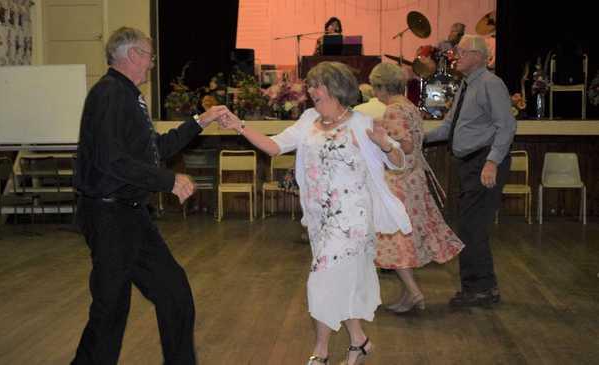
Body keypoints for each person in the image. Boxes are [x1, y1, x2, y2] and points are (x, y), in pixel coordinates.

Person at [219, 61, 412, 365]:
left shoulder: (361, 123)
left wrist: (384, 145)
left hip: (352, 219)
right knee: (339, 281)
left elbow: (400, 162)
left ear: (336, 88)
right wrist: (239, 125)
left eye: (316, 85)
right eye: (309, 86)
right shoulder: (309, 119)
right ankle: (359, 341)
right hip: (318, 217)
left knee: (321, 279)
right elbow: (273, 147)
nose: (310, 91)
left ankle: (320, 352)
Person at [72, 27, 230, 364]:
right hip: (109, 215)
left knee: (173, 294)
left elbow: (153, 150)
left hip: (129, 215)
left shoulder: (126, 95)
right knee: (110, 309)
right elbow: (112, 159)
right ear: (133, 55)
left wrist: (200, 121)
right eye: (149, 55)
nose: (152, 63)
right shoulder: (109, 94)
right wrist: (168, 181)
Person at [364, 63, 464, 313]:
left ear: (382, 87)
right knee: (402, 238)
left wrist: (376, 139)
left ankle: (414, 292)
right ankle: (409, 294)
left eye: (376, 87)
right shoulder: (409, 107)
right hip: (414, 178)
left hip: (400, 181)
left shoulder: (393, 111)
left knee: (396, 238)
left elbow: (405, 146)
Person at [425, 34, 516, 307]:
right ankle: (480, 288)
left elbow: (507, 126)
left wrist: (492, 162)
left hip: (483, 162)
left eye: (462, 52)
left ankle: (482, 289)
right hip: (471, 164)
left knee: (471, 227)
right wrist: (416, 137)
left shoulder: (491, 84)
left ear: (477, 56)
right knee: (469, 226)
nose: (456, 56)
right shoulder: (466, 86)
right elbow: (447, 129)